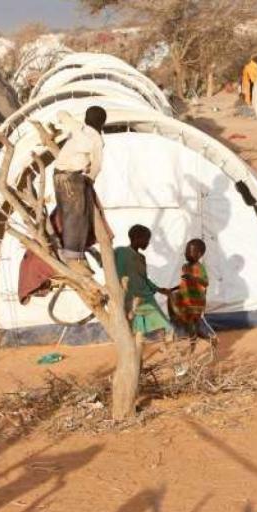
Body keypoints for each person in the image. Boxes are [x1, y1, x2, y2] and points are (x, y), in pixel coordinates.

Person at [54, 106, 108, 272]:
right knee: (77, 215)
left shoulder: (78, 127)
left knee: (67, 211)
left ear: (86, 118)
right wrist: (90, 180)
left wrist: (64, 120)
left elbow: (61, 112)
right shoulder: (97, 139)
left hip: (57, 174)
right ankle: (73, 253)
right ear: (102, 123)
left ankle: (74, 246)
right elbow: (97, 165)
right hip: (71, 177)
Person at [115, 225, 172, 339]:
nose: (148, 242)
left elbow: (144, 279)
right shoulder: (120, 252)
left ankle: (167, 350)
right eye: (146, 239)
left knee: (164, 326)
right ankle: (136, 354)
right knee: (135, 331)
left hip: (146, 297)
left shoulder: (141, 257)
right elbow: (113, 271)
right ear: (137, 238)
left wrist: (159, 289)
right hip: (130, 298)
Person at [169, 238, 217, 349]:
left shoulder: (199, 268)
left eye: (189, 251)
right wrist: (173, 289)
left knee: (191, 324)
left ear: (199, 254)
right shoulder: (185, 267)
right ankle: (206, 340)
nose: (186, 254)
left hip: (196, 301)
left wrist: (194, 278)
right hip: (185, 299)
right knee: (192, 325)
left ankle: (193, 345)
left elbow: (205, 283)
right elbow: (184, 284)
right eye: (186, 251)